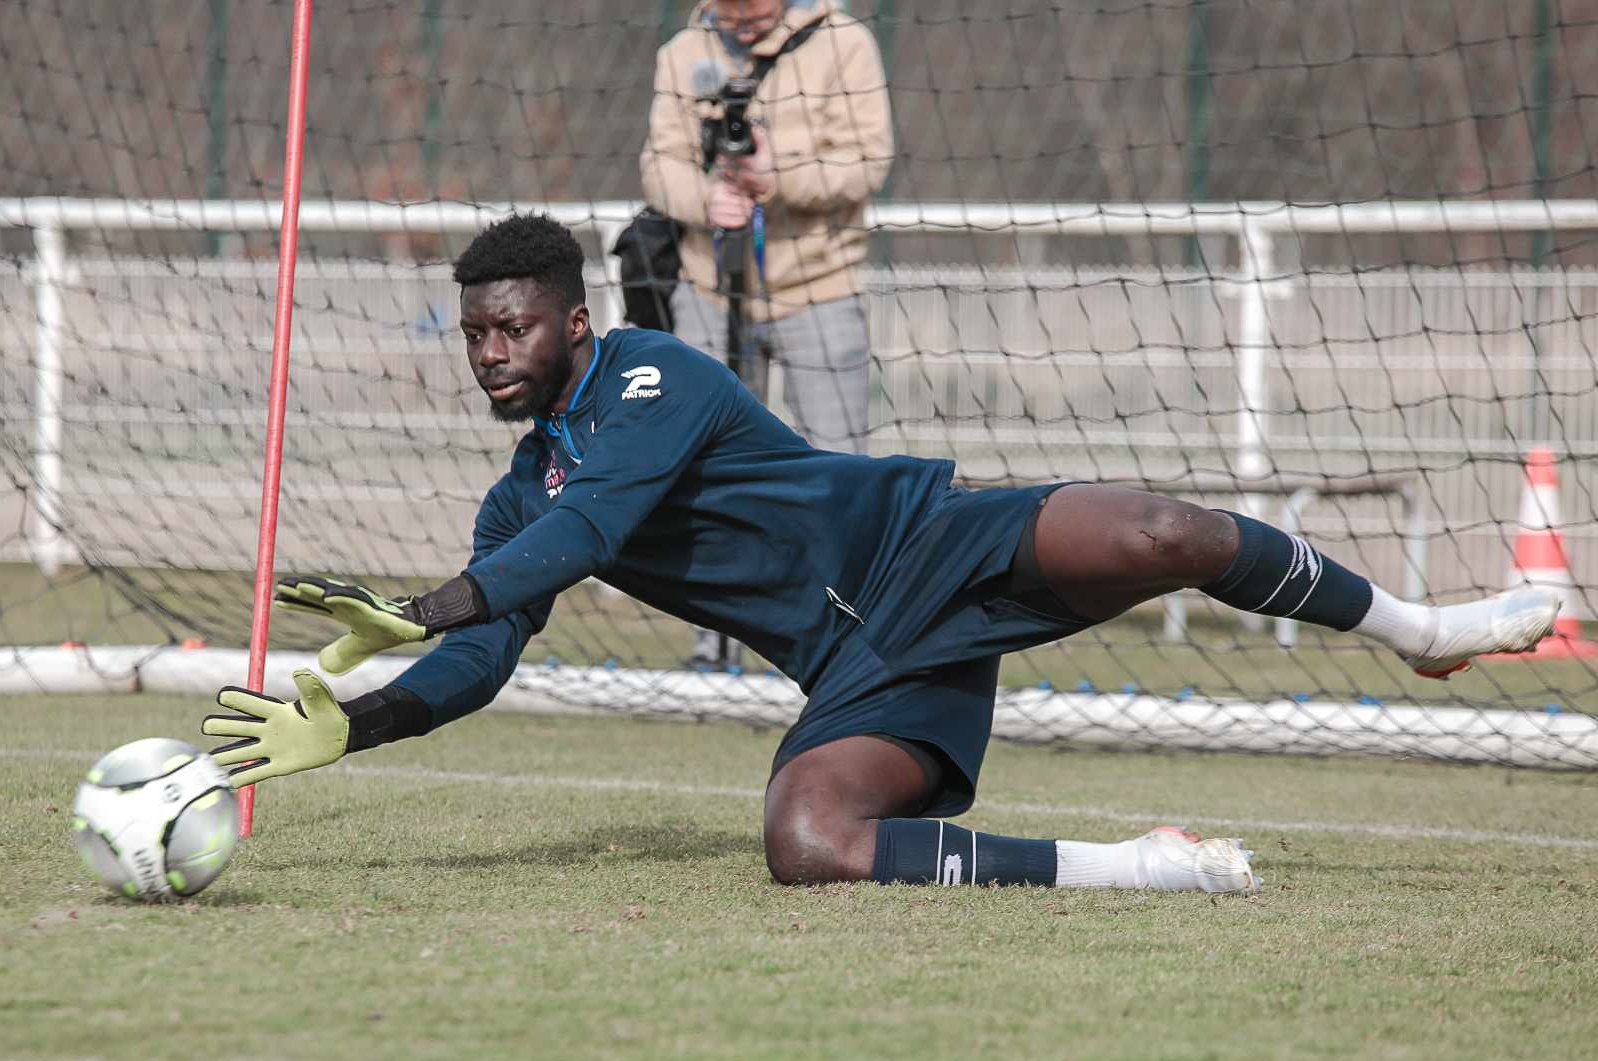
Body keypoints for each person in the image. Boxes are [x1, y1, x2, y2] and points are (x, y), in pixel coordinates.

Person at [202, 216, 1561, 896]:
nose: (491, 355)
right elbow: (488, 653)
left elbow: (593, 531)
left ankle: (1423, 630)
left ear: (572, 322)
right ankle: (1140, 865)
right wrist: (361, 721)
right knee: (805, 845)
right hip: (864, 663)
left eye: (513, 330)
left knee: (1170, 532)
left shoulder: (648, 376)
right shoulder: (514, 502)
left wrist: (422, 602)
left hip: (935, 538)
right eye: (475, 336)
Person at [642, 0, 893, 671]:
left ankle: (852, 653)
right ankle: (713, 654)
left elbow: (869, 161)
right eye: (733, 9)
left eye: (757, 11)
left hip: (821, 290)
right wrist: (704, 199)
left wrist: (779, 182)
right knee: (704, 474)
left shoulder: (843, 44)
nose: (744, 21)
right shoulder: (681, 52)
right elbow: (658, 162)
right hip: (708, 292)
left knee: (841, 477)